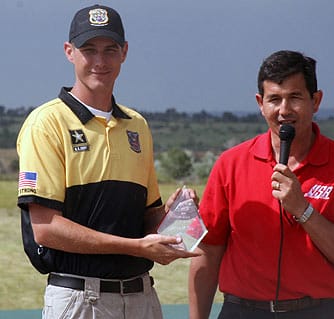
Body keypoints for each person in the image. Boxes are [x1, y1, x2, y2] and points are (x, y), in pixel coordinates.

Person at [17, 4, 198, 319]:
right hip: (78, 299)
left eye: (110, 50)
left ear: (125, 52)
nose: (100, 61)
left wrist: (174, 221)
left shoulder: (137, 126)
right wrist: (136, 247)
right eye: (89, 50)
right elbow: (45, 228)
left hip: (142, 297)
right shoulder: (46, 123)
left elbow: (149, 218)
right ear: (69, 51)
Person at [188, 50, 334, 319]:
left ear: (316, 100)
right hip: (242, 311)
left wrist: (303, 209)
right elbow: (208, 251)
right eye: (274, 99)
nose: (284, 110)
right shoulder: (231, 164)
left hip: (317, 311)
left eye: (295, 97)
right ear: (260, 103)